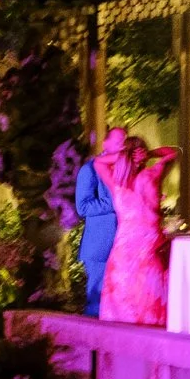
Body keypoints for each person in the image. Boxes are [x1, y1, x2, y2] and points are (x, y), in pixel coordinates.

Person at [98, 133, 178, 325]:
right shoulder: (151, 175)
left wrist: (124, 154)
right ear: (139, 154)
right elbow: (174, 153)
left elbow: (99, 162)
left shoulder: (116, 183)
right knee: (148, 300)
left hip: (124, 250)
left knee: (122, 305)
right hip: (147, 246)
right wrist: (149, 154)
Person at [75, 125, 125, 317]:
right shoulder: (90, 170)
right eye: (119, 141)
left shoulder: (123, 168)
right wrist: (117, 200)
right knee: (97, 302)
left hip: (122, 243)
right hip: (100, 245)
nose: (122, 146)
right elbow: (83, 207)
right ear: (106, 143)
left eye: (124, 141)